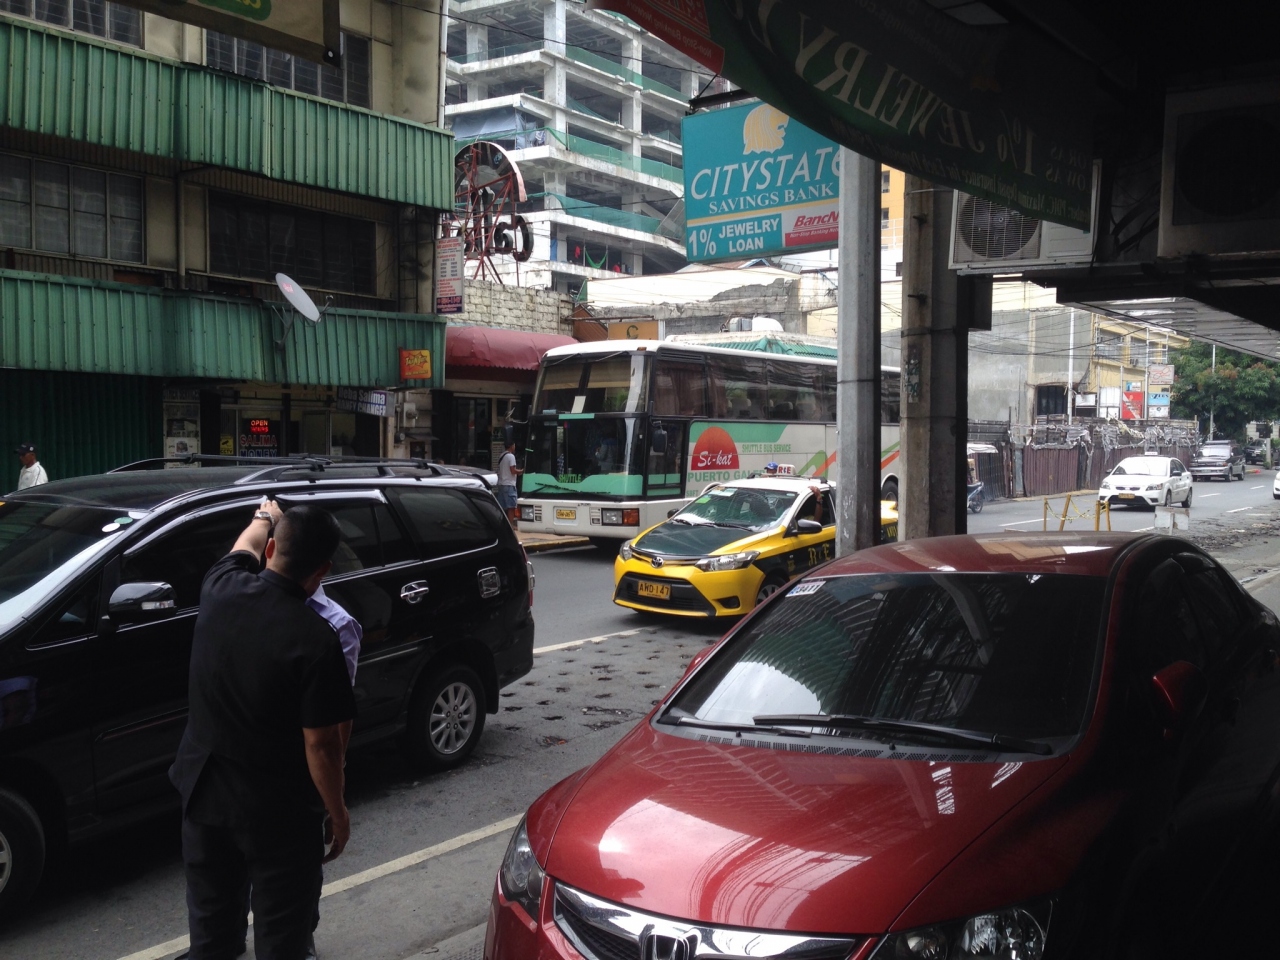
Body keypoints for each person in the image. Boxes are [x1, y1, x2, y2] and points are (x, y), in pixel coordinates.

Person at [169, 502, 354, 960]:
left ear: (272, 549)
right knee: (282, 940)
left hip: (205, 797)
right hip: (279, 814)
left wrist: (265, 516)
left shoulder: (220, 588)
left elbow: (244, 546)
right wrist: (337, 812)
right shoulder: (317, 640)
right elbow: (322, 745)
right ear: (322, 571)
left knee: (210, 937)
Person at [496, 440, 523, 526]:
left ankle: (502, 524)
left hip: (501, 484)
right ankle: (510, 525)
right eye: (514, 445)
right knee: (511, 507)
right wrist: (521, 471)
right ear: (512, 446)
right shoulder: (511, 456)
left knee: (502, 507)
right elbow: (512, 470)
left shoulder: (502, 455)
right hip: (509, 485)